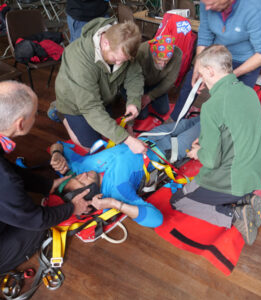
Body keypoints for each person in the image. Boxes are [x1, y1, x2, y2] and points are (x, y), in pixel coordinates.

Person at [170, 45, 261, 245]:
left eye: (201, 72)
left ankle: (235, 214)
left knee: (179, 200)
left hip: (233, 180)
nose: (200, 77)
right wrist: (204, 142)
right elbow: (233, 132)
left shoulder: (212, 106)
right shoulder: (249, 93)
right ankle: (246, 199)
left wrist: (198, 153)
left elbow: (211, 160)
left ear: (210, 71)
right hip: (254, 173)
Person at [0, 81, 99, 273]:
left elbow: (8, 171)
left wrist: (48, 185)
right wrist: (72, 207)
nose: (36, 117)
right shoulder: (6, 180)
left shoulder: (6, 174)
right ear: (20, 123)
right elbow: (37, 220)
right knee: (35, 229)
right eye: (35, 114)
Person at [171, 0, 261, 120]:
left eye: (212, 4)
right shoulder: (207, 3)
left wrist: (229, 77)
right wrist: (199, 66)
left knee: (232, 106)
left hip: (246, 60)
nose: (207, 8)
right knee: (192, 81)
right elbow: (205, 36)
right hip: (218, 54)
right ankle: (174, 122)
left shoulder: (258, 7)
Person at [55, 18, 147, 154]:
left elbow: (135, 75)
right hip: (75, 104)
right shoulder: (78, 58)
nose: (119, 63)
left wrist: (133, 101)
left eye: (124, 61)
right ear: (105, 43)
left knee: (107, 132)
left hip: (103, 97)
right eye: (116, 59)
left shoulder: (123, 44)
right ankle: (60, 112)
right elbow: (91, 108)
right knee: (91, 146)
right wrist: (127, 139)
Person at [49, 141, 164, 228]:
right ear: (90, 196)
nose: (82, 175)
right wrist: (114, 204)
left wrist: (56, 153)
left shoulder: (77, 167)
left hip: (145, 137)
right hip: (164, 150)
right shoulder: (117, 192)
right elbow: (157, 220)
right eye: (81, 182)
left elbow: (58, 144)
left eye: (76, 177)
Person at [135, 35, 182, 119]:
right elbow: (134, 78)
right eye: (160, 60)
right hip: (139, 84)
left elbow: (170, 80)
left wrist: (151, 96)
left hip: (155, 83)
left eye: (166, 61)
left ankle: (150, 97)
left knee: (163, 110)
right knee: (142, 115)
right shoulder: (141, 52)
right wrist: (138, 96)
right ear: (153, 54)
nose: (163, 64)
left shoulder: (177, 54)